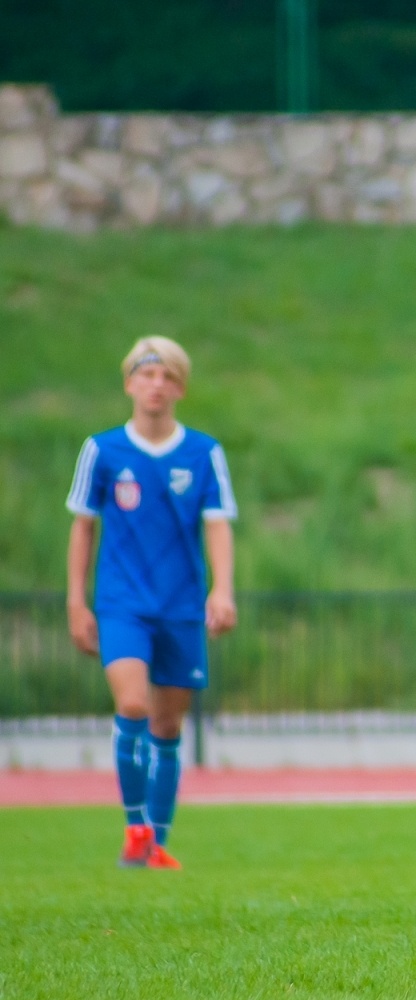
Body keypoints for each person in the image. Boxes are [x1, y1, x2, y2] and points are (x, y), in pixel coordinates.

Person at [66, 336, 239, 870]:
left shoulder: (204, 453)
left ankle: (157, 844)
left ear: (180, 387)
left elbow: (218, 526)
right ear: (129, 384)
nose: (155, 384)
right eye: (146, 374)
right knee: (134, 706)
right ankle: (135, 829)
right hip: (122, 604)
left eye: (166, 376)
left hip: (181, 606)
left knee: (167, 728)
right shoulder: (102, 450)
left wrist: (222, 589)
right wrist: (77, 600)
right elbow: (83, 527)